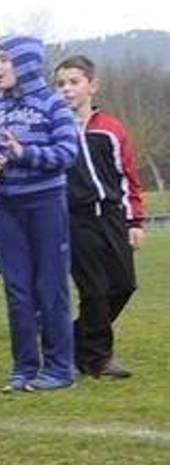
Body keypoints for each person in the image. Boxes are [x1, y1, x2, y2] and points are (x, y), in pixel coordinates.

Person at [0, 35, 80, 392]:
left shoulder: (54, 104)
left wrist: (24, 153)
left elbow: (67, 153)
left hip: (46, 206)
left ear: (25, 63)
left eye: (4, 59)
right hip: (6, 209)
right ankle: (24, 368)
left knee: (51, 287)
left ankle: (60, 368)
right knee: (17, 291)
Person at [54, 54, 144, 379]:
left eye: (74, 82)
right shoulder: (53, 132)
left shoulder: (110, 129)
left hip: (112, 217)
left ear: (92, 85)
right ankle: (97, 359)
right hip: (74, 221)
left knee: (123, 285)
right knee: (94, 290)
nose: (66, 89)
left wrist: (134, 222)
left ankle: (75, 339)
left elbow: (127, 177)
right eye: (61, 83)